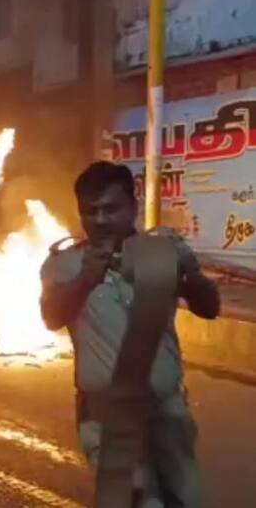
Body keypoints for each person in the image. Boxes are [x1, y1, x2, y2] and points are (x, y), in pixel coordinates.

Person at [40, 161, 219, 508]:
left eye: (111, 208)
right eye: (91, 211)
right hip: (109, 419)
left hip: (167, 413)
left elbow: (209, 307)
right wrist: (86, 279)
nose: (101, 219)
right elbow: (51, 317)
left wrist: (188, 277)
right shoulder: (64, 265)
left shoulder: (163, 252)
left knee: (187, 500)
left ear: (133, 208)